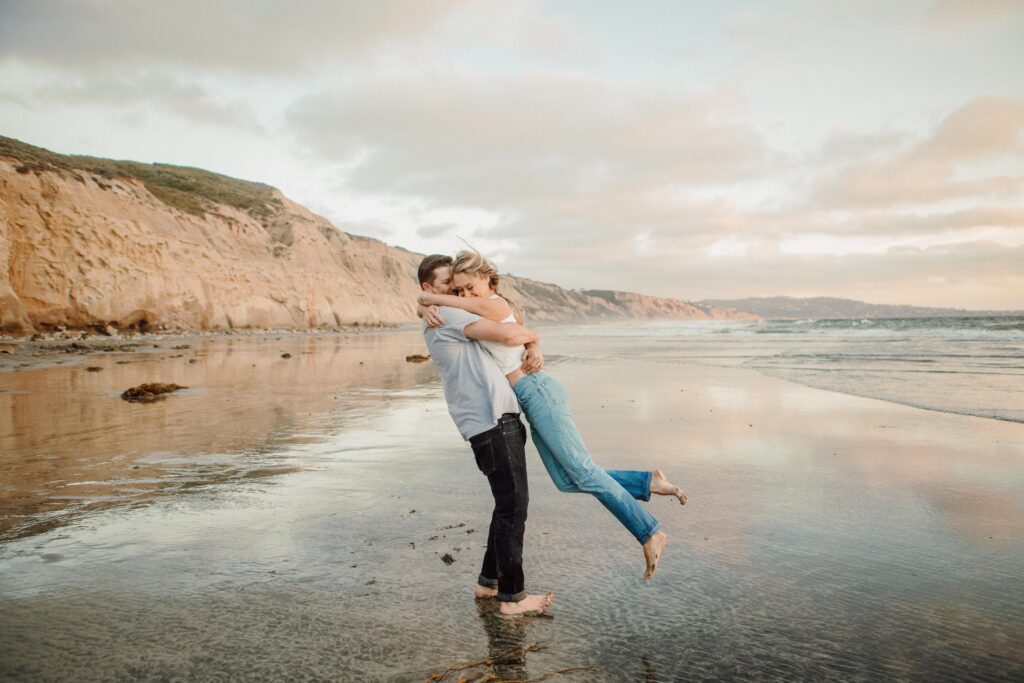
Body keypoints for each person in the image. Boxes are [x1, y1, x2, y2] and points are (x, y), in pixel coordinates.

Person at [418, 250, 687, 580]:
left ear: (487, 279)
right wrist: (429, 304)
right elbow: (500, 328)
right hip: (530, 399)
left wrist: (427, 301)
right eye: (459, 290)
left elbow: (501, 328)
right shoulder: (474, 310)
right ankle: (647, 482)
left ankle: (649, 532)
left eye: (469, 287)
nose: (465, 295)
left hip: (538, 391)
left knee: (584, 472)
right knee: (566, 480)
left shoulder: (494, 304)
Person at [417, 254, 554, 616]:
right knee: (513, 507)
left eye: (458, 285)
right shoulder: (448, 314)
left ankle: (488, 582)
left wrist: (532, 346)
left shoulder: (444, 311)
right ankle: (514, 598)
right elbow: (509, 332)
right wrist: (535, 336)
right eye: (447, 284)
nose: (456, 291)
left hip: (490, 420)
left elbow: (506, 328)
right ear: (429, 288)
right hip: (491, 421)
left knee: (505, 504)